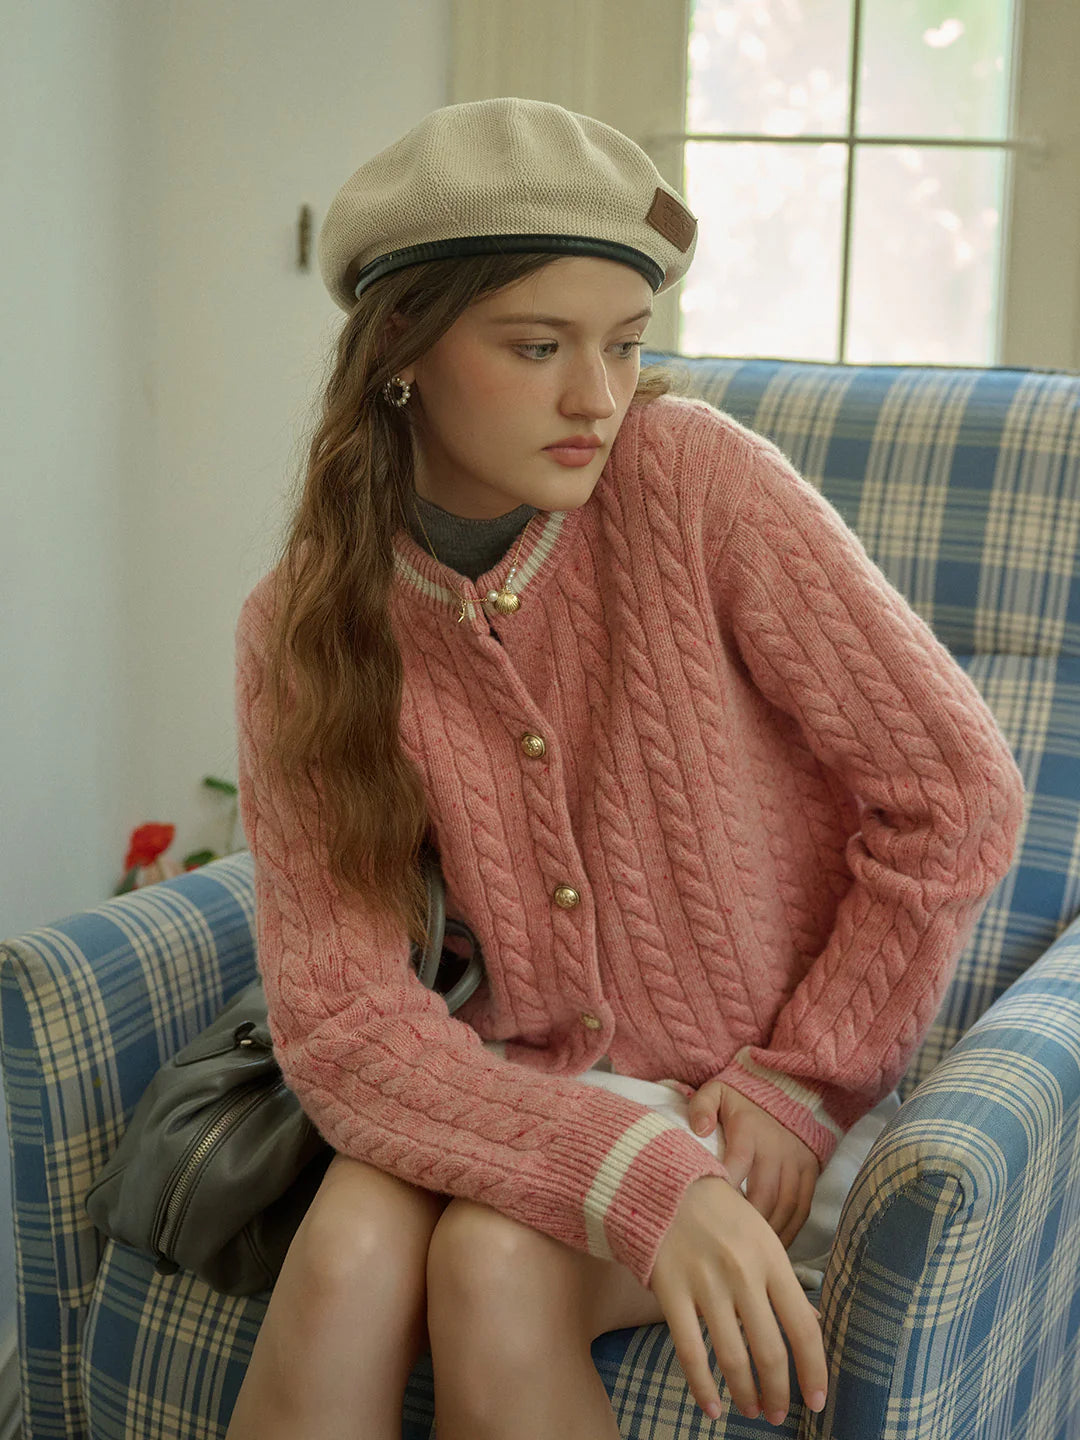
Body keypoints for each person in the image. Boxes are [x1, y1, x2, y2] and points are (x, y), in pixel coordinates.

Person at [224, 97, 1026, 1440]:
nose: (596, 398)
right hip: (528, 1088)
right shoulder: (303, 623)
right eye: (538, 346)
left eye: (627, 343)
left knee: (489, 1262)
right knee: (352, 1248)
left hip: (752, 1099)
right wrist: (633, 1172)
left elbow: (958, 795)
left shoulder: (696, 483)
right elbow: (346, 1024)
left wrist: (805, 1079)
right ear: (401, 352)